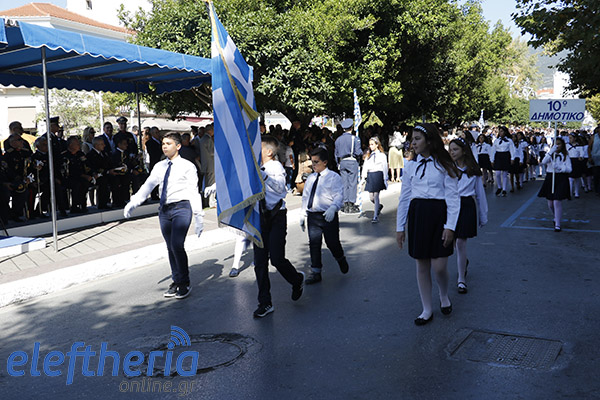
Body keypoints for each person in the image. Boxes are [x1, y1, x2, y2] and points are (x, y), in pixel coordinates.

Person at [124, 132, 204, 299]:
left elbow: (193, 191)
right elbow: (148, 185)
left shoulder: (187, 166)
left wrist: (199, 215)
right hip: (164, 210)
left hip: (182, 207)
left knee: (177, 244)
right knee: (170, 246)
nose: (165, 146)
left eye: (168, 143)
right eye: (163, 144)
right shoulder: (159, 166)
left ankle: (184, 282)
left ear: (178, 146)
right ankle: (176, 279)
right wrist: (135, 201)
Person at [396, 123, 460, 326]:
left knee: (439, 266)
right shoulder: (410, 166)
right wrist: (400, 227)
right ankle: (426, 309)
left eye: (417, 139)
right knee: (422, 264)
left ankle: (443, 294)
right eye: (412, 139)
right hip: (418, 215)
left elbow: (453, 197)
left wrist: (450, 226)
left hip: (439, 215)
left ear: (429, 141)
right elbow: (404, 197)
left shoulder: (444, 165)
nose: (413, 143)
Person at [252, 135, 305, 318]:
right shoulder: (255, 167)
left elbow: (281, 189)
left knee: (276, 258)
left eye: (259, 148)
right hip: (259, 217)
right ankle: (265, 302)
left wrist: (264, 176)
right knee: (259, 262)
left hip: (276, 216)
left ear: (268, 151)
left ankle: (296, 279)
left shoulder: (276, 167)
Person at [300, 147, 349, 284]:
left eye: (316, 162)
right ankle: (316, 271)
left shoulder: (333, 177)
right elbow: (306, 196)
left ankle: (340, 258)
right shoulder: (311, 178)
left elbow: (338, 195)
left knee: (332, 242)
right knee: (314, 243)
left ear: (325, 162)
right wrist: (302, 213)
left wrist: (333, 208)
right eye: (312, 162)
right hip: (313, 216)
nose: (313, 165)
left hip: (328, 215)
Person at [448, 137, 488, 295]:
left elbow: (480, 194)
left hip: (466, 206)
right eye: (450, 149)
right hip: (451, 205)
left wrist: (483, 215)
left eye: (455, 149)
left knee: (461, 242)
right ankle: (463, 261)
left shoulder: (473, 170)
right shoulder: (447, 168)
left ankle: (461, 279)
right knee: (452, 241)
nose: (452, 152)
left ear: (464, 151)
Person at [537, 138, 572, 232]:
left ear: (562, 145)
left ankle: (558, 224)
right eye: (555, 144)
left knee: (557, 201)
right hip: (550, 177)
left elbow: (569, 169)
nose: (557, 146)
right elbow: (543, 162)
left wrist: (559, 167)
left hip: (561, 178)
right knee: (550, 203)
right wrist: (550, 152)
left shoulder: (565, 155)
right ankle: (555, 216)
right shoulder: (550, 154)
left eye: (559, 144)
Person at [334, 118, 362, 213]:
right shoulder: (355, 139)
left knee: (344, 183)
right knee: (352, 183)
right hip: (352, 161)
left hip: (342, 162)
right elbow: (358, 152)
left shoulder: (338, 140)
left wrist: (338, 163)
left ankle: (345, 204)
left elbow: (336, 154)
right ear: (351, 128)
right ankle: (351, 204)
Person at [361, 136, 388, 223]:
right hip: (370, 175)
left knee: (376, 195)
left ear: (377, 145)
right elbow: (365, 166)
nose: (371, 146)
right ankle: (378, 206)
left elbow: (384, 167)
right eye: (370, 145)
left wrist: (385, 178)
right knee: (371, 197)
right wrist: (363, 177)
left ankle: (375, 216)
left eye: (372, 144)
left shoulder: (382, 155)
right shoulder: (369, 155)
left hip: (378, 175)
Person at [62, 136, 92, 214]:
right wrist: (82, 175)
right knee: (76, 184)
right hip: (69, 178)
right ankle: (74, 206)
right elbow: (68, 170)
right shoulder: (65, 156)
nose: (79, 145)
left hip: (81, 177)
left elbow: (87, 165)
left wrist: (89, 174)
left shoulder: (80, 154)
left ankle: (83, 204)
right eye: (77, 144)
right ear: (71, 145)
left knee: (85, 183)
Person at [85, 137, 112, 209]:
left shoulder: (104, 153)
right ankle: (101, 204)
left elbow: (108, 164)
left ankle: (116, 201)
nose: (104, 145)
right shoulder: (90, 155)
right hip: (95, 176)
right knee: (103, 181)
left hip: (105, 174)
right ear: (96, 145)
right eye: (102, 144)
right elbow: (92, 167)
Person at [491, 126, 516, 197]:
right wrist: (492, 159)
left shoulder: (509, 140)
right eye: (499, 131)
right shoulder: (496, 140)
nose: (500, 132)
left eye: (502, 131)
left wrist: (512, 158)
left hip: (506, 155)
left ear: (505, 132)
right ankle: (499, 187)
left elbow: (512, 149)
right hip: (498, 156)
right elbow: (493, 150)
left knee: (505, 174)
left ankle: (504, 189)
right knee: (497, 173)